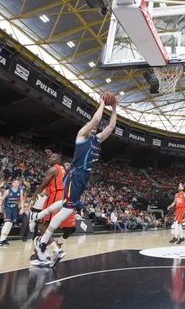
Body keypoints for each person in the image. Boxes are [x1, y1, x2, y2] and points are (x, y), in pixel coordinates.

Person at [31, 94, 117, 263]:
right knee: (67, 209)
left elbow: (111, 126)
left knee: (65, 202)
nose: (94, 127)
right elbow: (96, 120)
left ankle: (39, 215)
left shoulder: (97, 140)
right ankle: (42, 243)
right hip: (75, 174)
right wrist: (101, 103)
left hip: (83, 176)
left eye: (95, 127)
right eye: (91, 125)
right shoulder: (81, 135)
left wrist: (114, 107)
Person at [0, 179, 24, 247]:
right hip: (8, 208)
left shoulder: (20, 191)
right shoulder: (7, 191)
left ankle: (4, 239)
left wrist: (22, 208)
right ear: (12, 184)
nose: (16, 184)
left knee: (10, 224)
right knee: (7, 223)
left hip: (15, 208)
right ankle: (0, 240)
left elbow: (21, 200)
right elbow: (1, 200)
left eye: (18, 182)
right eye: (15, 182)